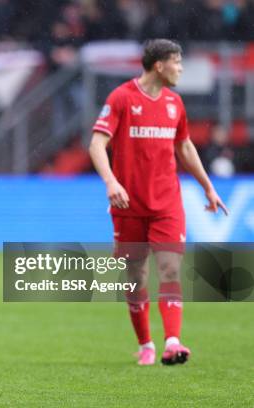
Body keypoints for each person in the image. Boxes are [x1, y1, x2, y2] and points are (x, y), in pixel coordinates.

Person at [88, 39, 228, 366]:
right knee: (136, 277)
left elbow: (186, 147)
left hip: (167, 203)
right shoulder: (121, 98)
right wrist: (111, 182)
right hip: (129, 205)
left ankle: (173, 342)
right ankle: (146, 343)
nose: (180, 68)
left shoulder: (174, 104)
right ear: (159, 65)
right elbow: (97, 145)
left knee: (169, 268)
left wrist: (208, 187)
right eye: (177, 62)